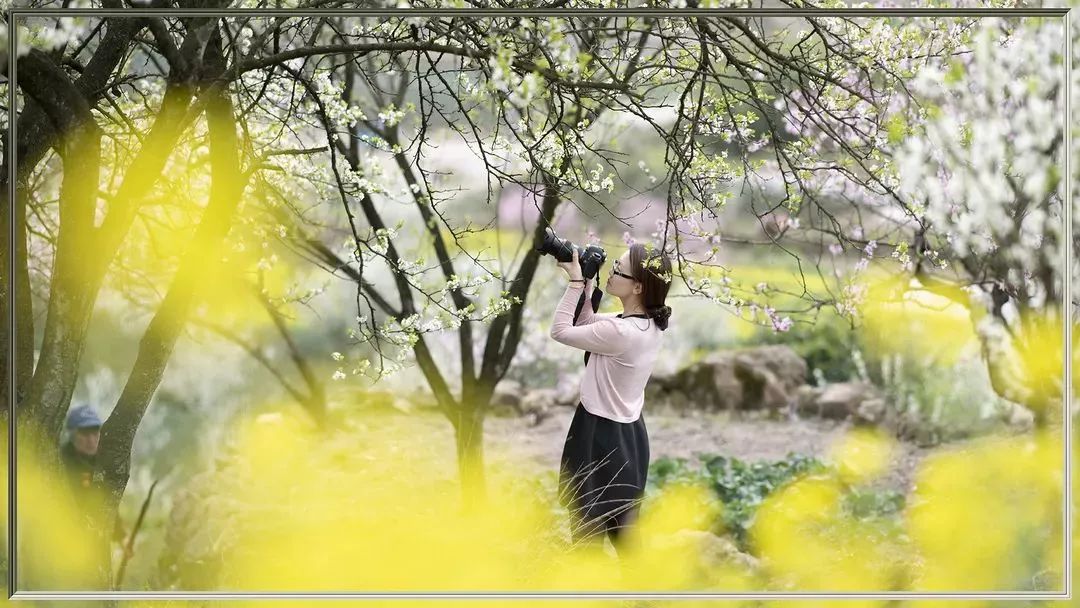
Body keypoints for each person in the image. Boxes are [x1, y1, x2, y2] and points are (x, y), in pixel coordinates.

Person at [549, 240, 673, 556]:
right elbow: (590, 324)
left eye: (619, 270)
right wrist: (587, 281)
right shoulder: (645, 326)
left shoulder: (621, 333)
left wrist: (577, 283)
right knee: (627, 540)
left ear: (639, 288)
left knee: (586, 537)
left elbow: (561, 330)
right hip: (630, 438)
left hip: (598, 435)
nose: (612, 272)